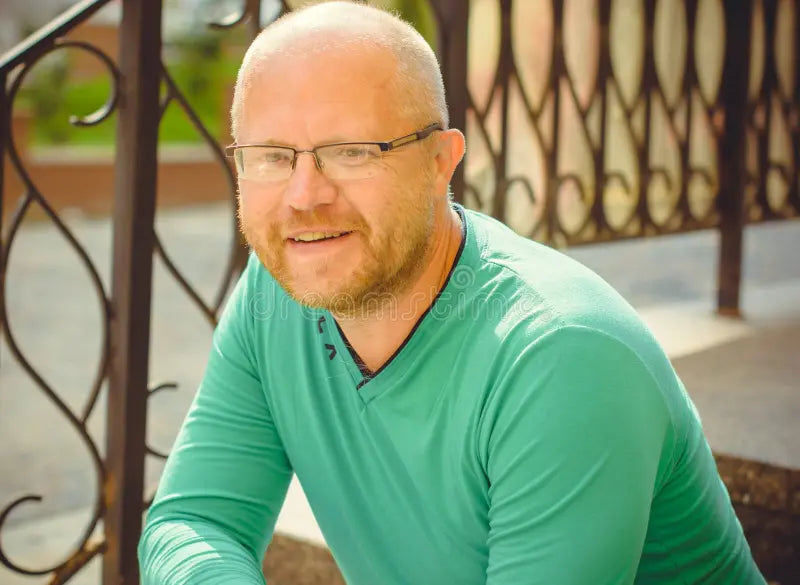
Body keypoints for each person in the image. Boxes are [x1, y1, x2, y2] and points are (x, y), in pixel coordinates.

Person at [137, 2, 767, 584]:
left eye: (352, 152)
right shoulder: (277, 290)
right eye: (273, 156)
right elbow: (194, 522)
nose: (305, 197)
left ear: (441, 160)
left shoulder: (561, 355)